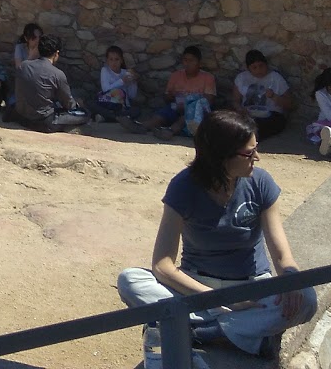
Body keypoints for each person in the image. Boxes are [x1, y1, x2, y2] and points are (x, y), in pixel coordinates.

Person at [117, 110, 317, 361]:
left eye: (256, 148)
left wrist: (290, 279)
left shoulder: (260, 182)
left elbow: (281, 253)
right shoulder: (184, 187)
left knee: (307, 298)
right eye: (248, 152)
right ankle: (244, 333)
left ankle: (201, 332)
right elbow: (162, 264)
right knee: (130, 280)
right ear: (221, 156)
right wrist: (217, 299)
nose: (257, 157)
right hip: (198, 287)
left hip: (251, 286)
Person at [7, 35, 89, 132]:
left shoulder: (24, 66)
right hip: (43, 120)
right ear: (56, 53)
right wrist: (78, 104)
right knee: (84, 114)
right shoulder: (57, 74)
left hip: (22, 115)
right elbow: (68, 103)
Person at [147, 46, 219, 140]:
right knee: (163, 113)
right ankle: (143, 126)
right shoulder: (176, 76)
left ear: (199, 63)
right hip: (177, 107)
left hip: (197, 112)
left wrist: (189, 104)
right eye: (185, 60)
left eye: (192, 60)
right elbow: (167, 98)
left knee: (189, 112)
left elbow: (209, 101)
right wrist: (171, 96)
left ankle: (170, 131)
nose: (188, 63)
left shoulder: (208, 78)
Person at [232, 50, 295, 141]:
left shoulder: (276, 78)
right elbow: (235, 100)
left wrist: (274, 96)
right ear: (248, 68)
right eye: (254, 67)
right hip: (248, 114)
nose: (259, 70)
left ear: (266, 64)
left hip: (271, 115)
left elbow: (290, 104)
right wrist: (240, 109)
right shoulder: (241, 78)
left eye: (261, 66)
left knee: (258, 127)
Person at [97, 45, 145, 129]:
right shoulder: (105, 70)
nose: (114, 62)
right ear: (107, 61)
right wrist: (122, 81)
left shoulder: (125, 73)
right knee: (117, 93)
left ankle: (110, 117)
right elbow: (105, 89)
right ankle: (116, 117)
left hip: (123, 107)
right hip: (109, 103)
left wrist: (133, 82)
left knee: (137, 111)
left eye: (116, 59)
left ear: (121, 61)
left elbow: (131, 95)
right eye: (111, 59)